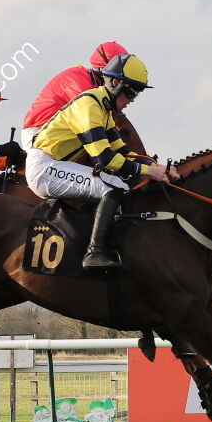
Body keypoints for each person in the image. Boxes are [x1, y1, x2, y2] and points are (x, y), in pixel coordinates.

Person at [26, 54, 178, 270]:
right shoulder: (89, 105)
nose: (133, 99)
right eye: (132, 91)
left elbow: (122, 151)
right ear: (115, 83)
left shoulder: (103, 108)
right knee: (113, 187)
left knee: (124, 183)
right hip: (44, 168)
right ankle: (94, 253)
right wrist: (148, 171)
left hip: (56, 165)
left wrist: (156, 168)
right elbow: (104, 158)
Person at [21, 41, 128, 150]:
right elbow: (90, 119)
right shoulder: (78, 80)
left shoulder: (95, 84)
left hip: (58, 132)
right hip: (38, 133)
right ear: (102, 68)